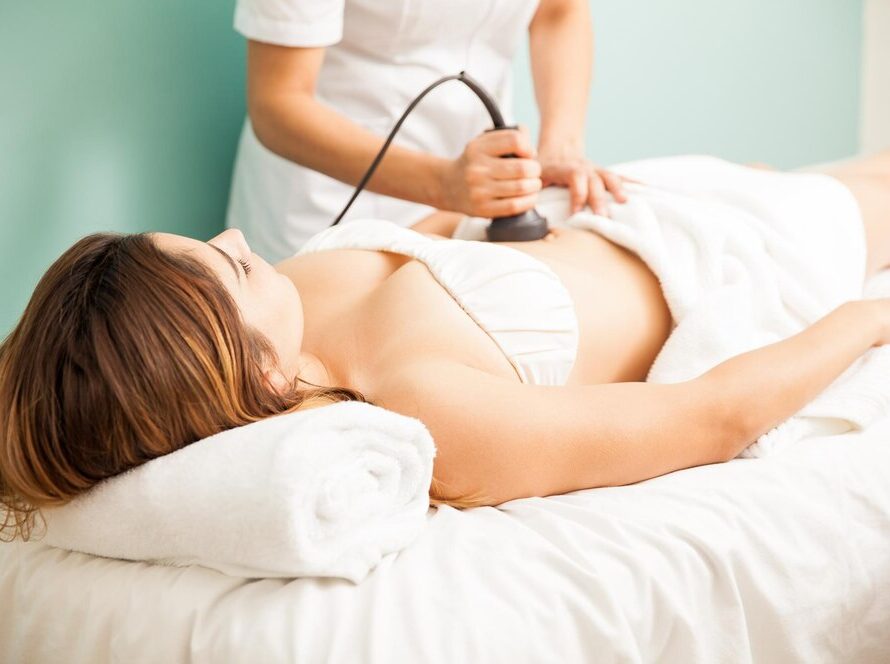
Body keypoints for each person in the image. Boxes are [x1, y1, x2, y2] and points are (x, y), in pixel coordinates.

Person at [2, 152, 890, 540]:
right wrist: (870, 318)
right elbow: (713, 418)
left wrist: (499, 191)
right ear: (257, 373)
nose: (239, 235)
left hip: (638, 197)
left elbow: (426, 247)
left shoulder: (293, 301)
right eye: (232, 267)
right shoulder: (428, 408)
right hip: (738, 252)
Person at [225, 0, 627, 260]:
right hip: (331, 202)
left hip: (475, 205)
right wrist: (443, 185)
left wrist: (561, 147)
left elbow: (558, 11)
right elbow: (278, 103)